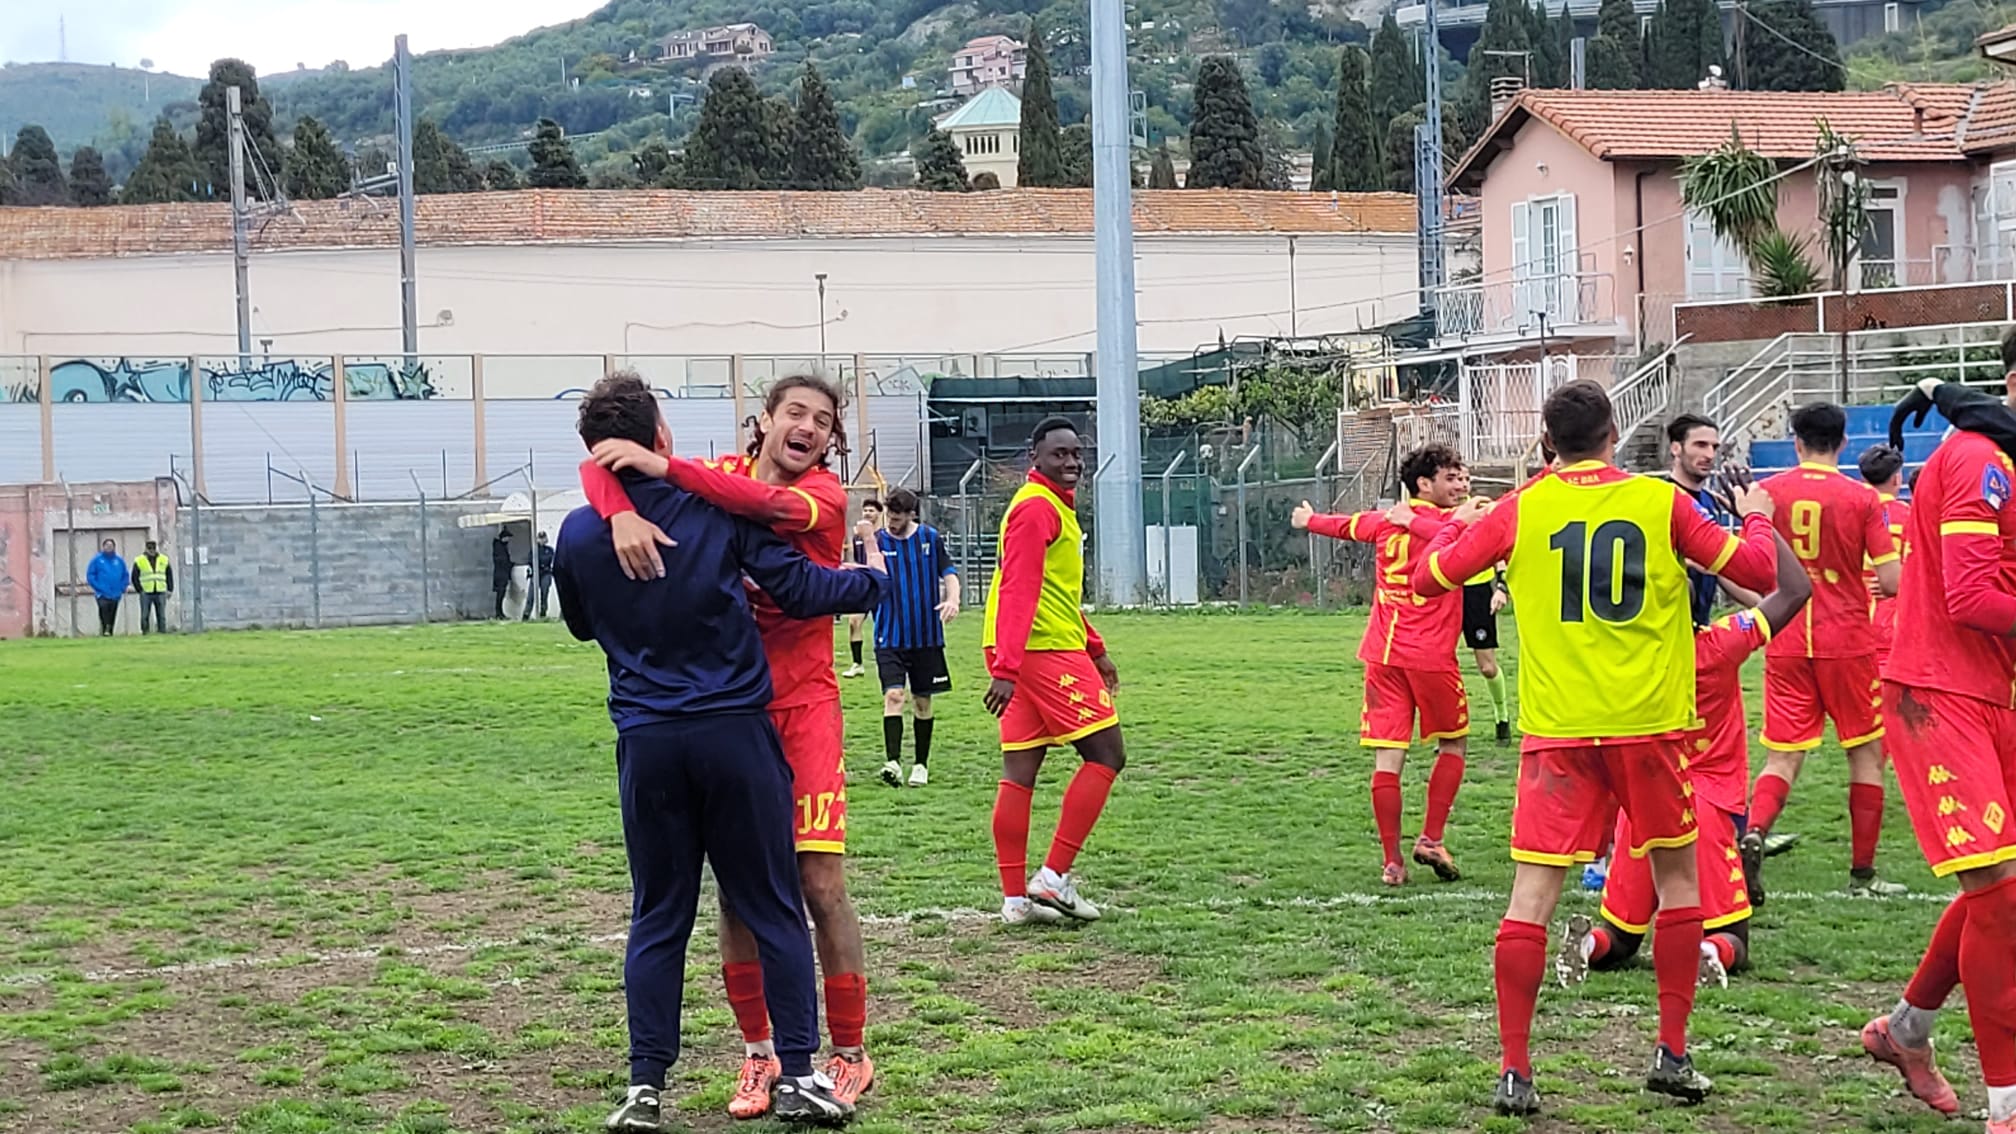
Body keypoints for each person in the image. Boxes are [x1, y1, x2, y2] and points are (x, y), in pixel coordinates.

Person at [1411, 379, 1779, 1116]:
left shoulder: (1522, 507)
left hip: (1560, 732)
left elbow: (1427, 580)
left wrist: (1454, 525)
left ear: (1549, 442)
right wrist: (1759, 517)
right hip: (1649, 725)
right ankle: (1672, 1054)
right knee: (1679, 885)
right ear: (1614, 436)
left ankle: (1515, 1071)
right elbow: (1760, 574)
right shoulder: (1659, 501)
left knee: (1531, 898)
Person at [552, 373, 883, 1131]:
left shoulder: (579, 532)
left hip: (666, 734)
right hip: (737, 725)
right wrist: (871, 585)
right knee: (765, 901)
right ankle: (786, 1065)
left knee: (667, 913)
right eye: (793, 411)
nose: (807, 427)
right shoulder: (712, 501)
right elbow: (799, 587)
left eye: (820, 419)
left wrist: (618, 513)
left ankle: (647, 1087)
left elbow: (581, 622)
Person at [1858, 375, 2016, 1132]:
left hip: (1988, 693)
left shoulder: (1999, 452)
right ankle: (2006, 1103)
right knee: (2002, 898)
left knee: (1999, 894)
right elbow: (1971, 597)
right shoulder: (1979, 458)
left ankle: (1905, 1031)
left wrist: (1938, 388)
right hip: (1937, 692)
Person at [1570, 521, 1812, 988]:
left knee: (1620, 937)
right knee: (1734, 936)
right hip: (1705, 805)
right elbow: (1795, 590)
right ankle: (1709, 950)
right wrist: (1760, 518)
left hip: (1642, 802)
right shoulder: (1720, 645)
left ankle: (1588, 945)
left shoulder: (1622, 658)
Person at [1743, 403, 1904, 904]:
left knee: (1783, 755)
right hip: (1847, 641)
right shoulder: (1862, 498)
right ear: (1843, 443)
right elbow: (1892, 581)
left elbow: (1752, 565)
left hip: (1786, 637)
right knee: (1866, 755)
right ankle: (1863, 874)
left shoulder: (1768, 492)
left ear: (1796, 442)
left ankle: (1754, 833)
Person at [1292, 443, 1472, 885]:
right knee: (1453, 744)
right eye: (1451, 478)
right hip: (1429, 655)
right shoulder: (1454, 522)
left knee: (1388, 758)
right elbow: (1467, 538)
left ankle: (1393, 862)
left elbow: (1345, 525)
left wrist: (1309, 520)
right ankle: (1431, 838)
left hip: (1383, 653)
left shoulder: (1387, 520)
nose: (1461, 485)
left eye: (1462, 477)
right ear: (1424, 484)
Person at [984, 418, 1125, 926]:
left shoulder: (1049, 506)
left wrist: (1096, 648)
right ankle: (1052, 877)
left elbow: (1055, 593)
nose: (1071, 462)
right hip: (1039, 649)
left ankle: (1015, 901)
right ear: (1035, 457)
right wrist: (1007, 667)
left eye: (1076, 453)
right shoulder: (1037, 508)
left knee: (1020, 770)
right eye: (1059, 454)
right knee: (1107, 754)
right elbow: (1019, 588)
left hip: (1029, 646)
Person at [873, 488, 959, 789]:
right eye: (889, 516)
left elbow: (949, 572)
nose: (892, 523)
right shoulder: (877, 542)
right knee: (894, 696)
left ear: (911, 515)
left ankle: (920, 764)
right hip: (889, 636)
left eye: (897, 518)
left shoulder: (929, 538)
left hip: (926, 637)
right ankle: (893, 763)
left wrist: (952, 599)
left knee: (922, 702)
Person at [1859, 445, 1911, 671]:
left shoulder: (1849, 513)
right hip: (1895, 622)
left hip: (1854, 620)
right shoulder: (1910, 516)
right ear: (1897, 478)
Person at [844, 499, 884, 679]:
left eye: (871, 510)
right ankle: (857, 664)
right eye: (866, 510)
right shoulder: (857, 537)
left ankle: (887, 660)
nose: (868, 513)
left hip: (881, 586)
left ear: (879, 514)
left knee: (882, 625)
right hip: (864, 586)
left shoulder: (883, 536)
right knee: (854, 622)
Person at [86, 538, 127, 637]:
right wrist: (98, 587)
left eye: (111, 546)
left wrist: (122, 587)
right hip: (102, 593)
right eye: (107, 545)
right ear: (103, 547)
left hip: (115, 593)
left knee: (112, 613)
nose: (109, 547)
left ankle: (110, 631)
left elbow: (125, 575)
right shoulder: (97, 560)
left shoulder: (119, 561)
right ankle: (105, 629)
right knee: (103, 610)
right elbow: (91, 575)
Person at [131, 539, 173, 635]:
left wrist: (170, 589)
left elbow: (169, 575)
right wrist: (139, 590)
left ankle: (162, 632)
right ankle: (145, 632)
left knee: (161, 615)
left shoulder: (164, 559)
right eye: (149, 548)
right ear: (146, 549)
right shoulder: (139, 560)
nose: (152, 551)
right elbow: (134, 577)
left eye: (153, 548)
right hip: (146, 591)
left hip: (160, 590)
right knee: (145, 615)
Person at [523, 531, 556, 622]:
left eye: (543, 538)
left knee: (544, 594)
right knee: (531, 595)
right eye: (540, 538)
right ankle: (526, 614)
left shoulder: (550, 550)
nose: (542, 540)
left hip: (546, 573)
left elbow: (551, 560)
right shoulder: (534, 550)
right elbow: (530, 561)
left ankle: (543, 613)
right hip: (536, 574)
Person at [491, 528, 515, 620]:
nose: (508, 539)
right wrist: (509, 564)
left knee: (501, 594)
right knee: (500, 594)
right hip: (501, 575)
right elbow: (502, 561)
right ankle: (499, 613)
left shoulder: (500, 547)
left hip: (501, 574)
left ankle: (499, 613)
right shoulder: (500, 547)